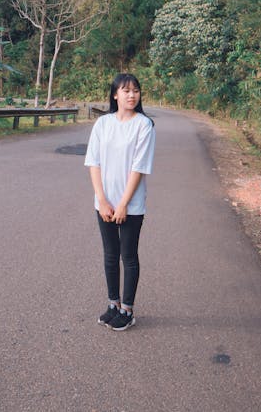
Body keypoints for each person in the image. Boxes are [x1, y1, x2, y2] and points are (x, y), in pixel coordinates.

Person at [84, 73, 155, 331]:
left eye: (135, 90)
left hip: (131, 205)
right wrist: (102, 200)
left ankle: (127, 309)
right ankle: (113, 304)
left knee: (129, 256)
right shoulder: (103, 124)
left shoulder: (144, 125)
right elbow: (94, 162)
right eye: (125, 91)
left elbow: (139, 167)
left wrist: (123, 203)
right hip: (104, 202)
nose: (131, 95)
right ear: (115, 95)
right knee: (110, 256)